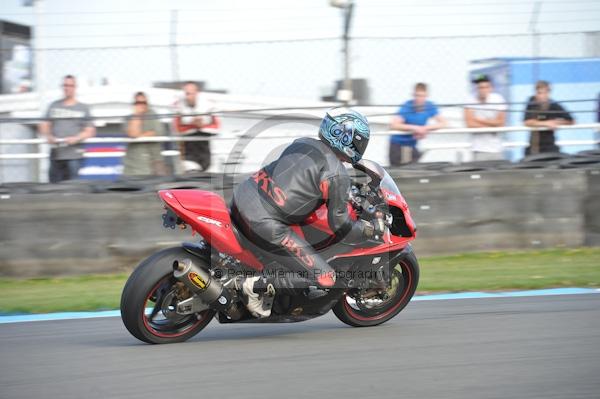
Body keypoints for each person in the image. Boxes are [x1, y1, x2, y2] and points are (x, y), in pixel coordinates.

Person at [230, 108, 382, 318]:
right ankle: (257, 284)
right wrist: (366, 230)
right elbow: (340, 226)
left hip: (242, 197)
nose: (361, 147)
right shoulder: (337, 174)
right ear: (348, 138)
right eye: (360, 141)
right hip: (264, 222)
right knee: (326, 277)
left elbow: (299, 177)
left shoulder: (302, 142)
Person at [38, 75, 95, 183]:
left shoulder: (83, 108)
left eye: (70, 85)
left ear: (75, 87)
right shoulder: (53, 106)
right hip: (56, 154)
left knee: (72, 188)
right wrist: (48, 136)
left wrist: (76, 138)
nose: (67, 88)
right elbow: (44, 124)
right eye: (65, 85)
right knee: (53, 188)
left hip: (73, 155)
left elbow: (90, 130)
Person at [389, 82, 446, 166]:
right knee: (402, 172)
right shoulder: (407, 106)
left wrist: (425, 128)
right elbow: (394, 125)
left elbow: (443, 123)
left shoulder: (430, 106)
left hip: (412, 145)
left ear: (426, 95)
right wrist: (415, 128)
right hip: (399, 145)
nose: (419, 99)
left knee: (415, 168)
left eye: (422, 96)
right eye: (417, 95)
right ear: (413, 95)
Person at [173, 81, 220, 172]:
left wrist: (202, 126)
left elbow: (217, 127)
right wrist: (193, 125)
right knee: (191, 172)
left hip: (205, 152)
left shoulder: (208, 105)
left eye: (191, 93)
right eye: (187, 93)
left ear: (197, 93)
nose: (189, 96)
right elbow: (177, 129)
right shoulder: (178, 106)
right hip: (188, 152)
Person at [122, 92, 167, 176]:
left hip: (154, 162)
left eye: (144, 102)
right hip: (133, 165)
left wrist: (139, 136)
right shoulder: (128, 118)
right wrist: (137, 115)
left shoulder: (154, 115)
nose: (141, 105)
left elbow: (157, 132)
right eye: (138, 103)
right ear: (134, 104)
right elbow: (132, 134)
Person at [523, 80, 574, 155]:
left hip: (550, 145)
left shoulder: (554, 105)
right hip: (534, 146)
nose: (542, 96)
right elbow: (527, 122)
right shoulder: (531, 103)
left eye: (545, 93)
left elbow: (571, 120)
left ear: (549, 93)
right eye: (539, 93)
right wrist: (546, 123)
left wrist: (556, 122)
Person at [464, 74, 507, 161]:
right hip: (478, 148)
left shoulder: (498, 99)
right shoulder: (470, 100)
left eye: (485, 87)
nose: (483, 90)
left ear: (491, 88)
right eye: (480, 87)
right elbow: (470, 123)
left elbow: (501, 123)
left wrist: (477, 119)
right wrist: (492, 125)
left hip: (496, 148)